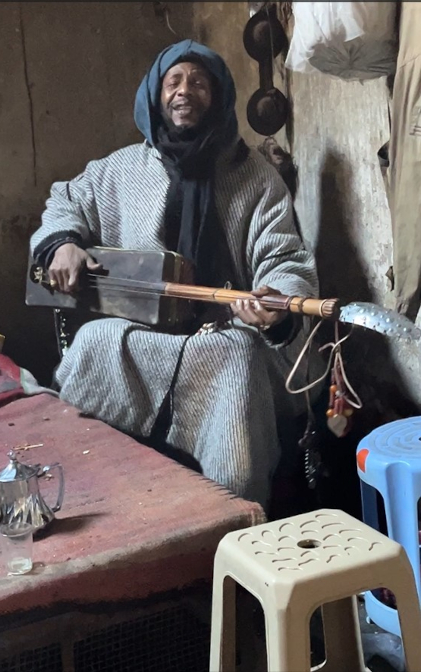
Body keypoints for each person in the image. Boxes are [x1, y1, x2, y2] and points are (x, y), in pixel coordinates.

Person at [30, 40, 320, 510]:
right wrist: (63, 243)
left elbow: (283, 256)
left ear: (219, 96)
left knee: (237, 359)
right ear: (155, 94)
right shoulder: (121, 169)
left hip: (226, 336)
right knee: (94, 342)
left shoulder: (255, 176)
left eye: (200, 82)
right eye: (174, 81)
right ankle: (110, 495)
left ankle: (233, 517)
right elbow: (65, 200)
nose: (185, 91)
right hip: (145, 336)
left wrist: (274, 301)